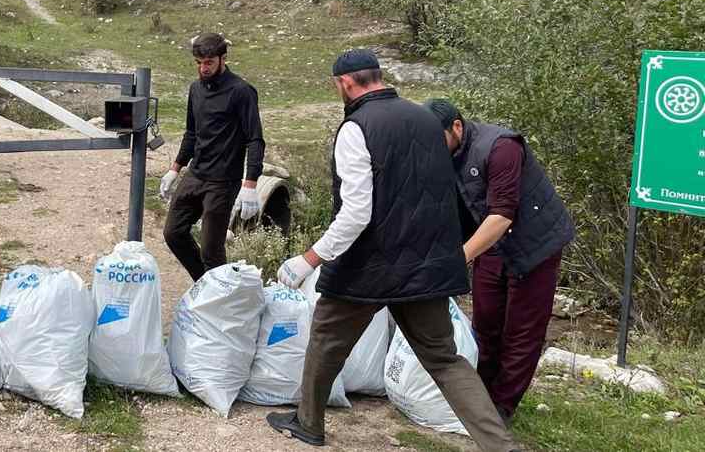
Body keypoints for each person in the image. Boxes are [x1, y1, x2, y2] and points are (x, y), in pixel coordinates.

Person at [268, 50, 516, 452]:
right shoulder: (424, 118)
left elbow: (356, 213)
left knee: (326, 341)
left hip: (368, 266)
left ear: (345, 83)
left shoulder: (356, 127)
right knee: (444, 359)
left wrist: (309, 259)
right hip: (426, 264)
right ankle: (501, 447)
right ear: (379, 77)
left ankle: (308, 423)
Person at [423, 98, 575, 426]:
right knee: (486, 322)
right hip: (492, 243)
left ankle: (501, 409)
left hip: (534, 244)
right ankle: (480, 398)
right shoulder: (446, 155)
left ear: (457, 127)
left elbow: (502, 215)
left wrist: (458, 258)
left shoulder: (501, 147)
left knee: (521, 331)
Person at [159, 32, 265, 281]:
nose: (203, 68)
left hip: (223, 181)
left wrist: (250, 185)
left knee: (211, 250)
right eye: (198, 63)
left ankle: (220, 303)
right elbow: (191, 132)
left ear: (222, 58)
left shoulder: (242, 91)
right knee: (173, 233)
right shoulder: (195, 89)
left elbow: (255, 139)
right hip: (196, 174)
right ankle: (206, 285)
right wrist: (175, 169)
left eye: (208, 62)